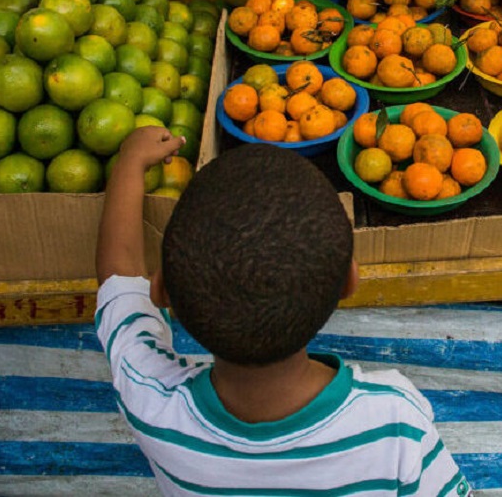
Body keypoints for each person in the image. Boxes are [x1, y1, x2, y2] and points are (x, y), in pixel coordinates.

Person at [95, 129, 470, 494]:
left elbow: (119, 276)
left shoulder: (149, 398)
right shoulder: (394, 420)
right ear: (349, 282)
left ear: (160, 291)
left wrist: (130, 161)